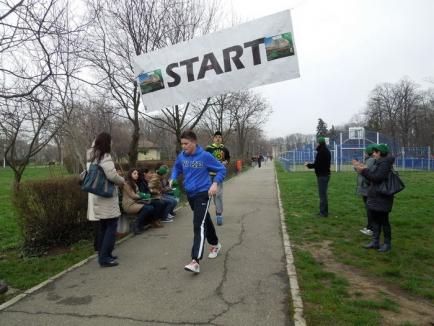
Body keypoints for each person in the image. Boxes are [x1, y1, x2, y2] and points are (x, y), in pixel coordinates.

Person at [170, 130, 226, 274]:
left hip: (203, 193)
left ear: (194, 142)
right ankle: (215, 244)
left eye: (186, 143)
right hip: (190, 194)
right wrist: (173, 178)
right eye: (182, 144)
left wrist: (215, 183)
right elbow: (176, 168)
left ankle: (195, 261)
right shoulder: (182, 157)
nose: (183, 146)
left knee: (198, 224)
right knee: (204, 220)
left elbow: (221, 169)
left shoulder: (205, 156)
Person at [87, 132, 125, 267]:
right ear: (106, 142)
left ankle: (104, 254)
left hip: (98, 195)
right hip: (107, 197)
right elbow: (112, 175)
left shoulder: (93, 156)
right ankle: (105, 258)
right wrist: (122, 180)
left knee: (103, 227)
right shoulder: (105, 157)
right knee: (111, 226)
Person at [353, 144, 395, 252]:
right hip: (375, 195)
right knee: (375, 220)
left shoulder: (385, 164)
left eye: (375, 152)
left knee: (384, 221)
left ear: (379, 153)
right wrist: (362, 169)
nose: (374, 154)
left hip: (382, 196)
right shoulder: (379, 162)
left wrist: (363, 170)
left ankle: (387, 244)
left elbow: (376, 178)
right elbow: (372, 176)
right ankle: (375, 242)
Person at [206, 131, 230, 225]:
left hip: (219, 175)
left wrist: (225, 162)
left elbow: (228, 159)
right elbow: (204, 159)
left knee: (218, 195)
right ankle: (204, 215)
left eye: (220, 137)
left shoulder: (224, 149)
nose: (218, 139)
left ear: (221, 139)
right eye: (216, 137)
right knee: (207, 195)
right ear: (213, 138)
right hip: (208, 175)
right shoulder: (208, 148)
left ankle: (219, 214)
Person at [305, 136, 331, 217]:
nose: (316, 144)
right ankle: (325, 212)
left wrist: (308, 165)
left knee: (322, 195)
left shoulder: (321, 151)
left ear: (319, 143)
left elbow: (317, 165)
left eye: (317, 142)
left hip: (322, 175)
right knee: (324, 194)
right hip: (326, 174)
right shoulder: (326, 150)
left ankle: (323, 213)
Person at [355, 144, 376, 236]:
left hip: (367, 188)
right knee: (370, 208)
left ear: (368, 152)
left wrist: (357, 166)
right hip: (367, 187)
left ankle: (370, 228)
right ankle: (371, 226)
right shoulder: (369, 160)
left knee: (370, 208)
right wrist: (357, 166)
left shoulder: (371, 160)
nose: (364, 153)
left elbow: (364, 171)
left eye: (365, 152)